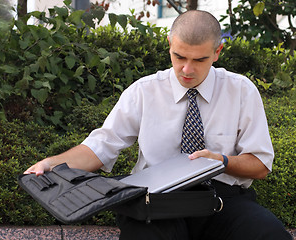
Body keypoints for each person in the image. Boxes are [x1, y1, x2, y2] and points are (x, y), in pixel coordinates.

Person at [24, 10, 292, 240]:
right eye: (179, 57)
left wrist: (221, 161)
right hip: (153, 200)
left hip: (221, 199)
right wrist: (53, 164)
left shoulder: (241, 91)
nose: (187, 69)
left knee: (270, 235)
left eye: (199, 60)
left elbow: (260, 166)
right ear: (169, 45)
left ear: (217, 52)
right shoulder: (144, 91)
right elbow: (99, 147)